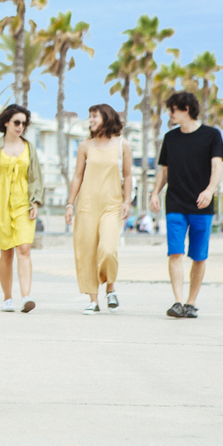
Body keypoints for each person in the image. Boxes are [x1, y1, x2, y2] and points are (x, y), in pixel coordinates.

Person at [150, 91, 223, 319]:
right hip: (175, 203)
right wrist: (155, 193)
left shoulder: (212, 135)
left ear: (186, 109)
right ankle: (178, 301)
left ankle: (192, 302)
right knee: (175, 252)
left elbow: (217, 167)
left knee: (199, 256)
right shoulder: (170, 138)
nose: (170, 114)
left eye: (173, 109)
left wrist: (210, 190)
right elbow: (165, 170)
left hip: (202, 204)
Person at [64, 104, 133, 314]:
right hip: (86, 205)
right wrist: (69, 203)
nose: (90, 120)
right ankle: (93, 301)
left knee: (108, 249)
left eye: (94, 116)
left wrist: (127, 201)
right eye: (90, 116)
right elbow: (77, 176)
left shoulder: (122, 145)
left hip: (112, 205)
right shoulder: (85, 146)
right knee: (85, 253)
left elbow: (128, 175)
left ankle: (110, 288)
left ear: (106, 117)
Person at [0, 104, 43, 314]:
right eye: (17, 122)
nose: (20, 127)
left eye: (24, 124)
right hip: (1, 205)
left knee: (24, 249)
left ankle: (26, 296)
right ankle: (8, 298)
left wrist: (35, 202)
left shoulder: (29, 148)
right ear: (6, 122)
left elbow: (35, 177)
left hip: (23, 205)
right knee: (6, 252)